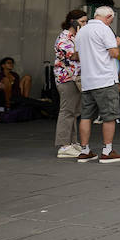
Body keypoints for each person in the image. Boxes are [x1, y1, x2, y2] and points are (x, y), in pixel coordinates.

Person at [74, 6, 120, 163]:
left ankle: (85, 151)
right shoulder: (105, 30)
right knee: (109, 116)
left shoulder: (81, 31)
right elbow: (114, 54)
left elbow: (76, 56)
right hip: (104, 79)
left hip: (87, 80)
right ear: (109, 16)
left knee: (86, 116)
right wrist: (116, 43)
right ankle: (107, 151)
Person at [52, 9, 86, 158]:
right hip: (67, 78)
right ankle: (64, 145)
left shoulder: (77, 36)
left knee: (74, 111)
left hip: (75, 78)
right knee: (67, 111)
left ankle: (72, 142)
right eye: (82, 21)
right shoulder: (64, 37)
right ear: (73, 21)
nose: (85, 24)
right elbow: (73, 55)